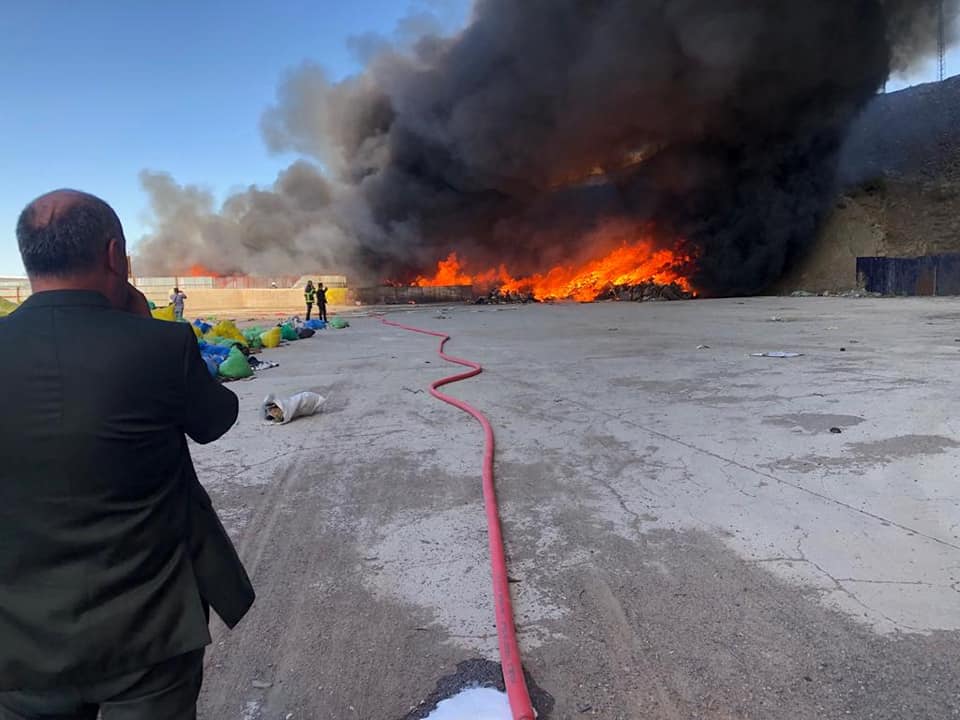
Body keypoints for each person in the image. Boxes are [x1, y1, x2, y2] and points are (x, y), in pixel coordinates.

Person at [0, 190, 254, 719]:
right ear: (116, 255)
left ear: (27, 258)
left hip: (19, 643)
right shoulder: (161, 346)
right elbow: (217, 420)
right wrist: (146, 322)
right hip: (148, 634)